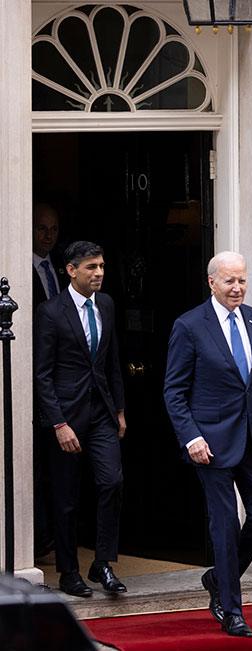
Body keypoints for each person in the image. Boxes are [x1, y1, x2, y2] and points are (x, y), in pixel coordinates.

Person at [163, 251, 252, 638]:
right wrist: (192, 437)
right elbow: (174, 391)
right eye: (229, 281)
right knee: (223, 525)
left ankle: (220, 578)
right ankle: (231, 610)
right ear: (212, 283)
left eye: (242, 280)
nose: (237, 288)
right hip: (211, 444)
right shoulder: (189, 326)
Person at [34, 241, 127, 597]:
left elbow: (112, 359)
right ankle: (69, 572)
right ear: (71, 270)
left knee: (111, 481)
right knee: (67, 497)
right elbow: (42, 374)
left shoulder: (106, 304)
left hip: (102, 411)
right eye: (91, 267)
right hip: (66, 416)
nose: (99, 273)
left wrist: (119, 408)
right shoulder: (51, 311)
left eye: (101, 266)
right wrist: (58, 423)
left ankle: (102, 562)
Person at [31, 203, 62, 560]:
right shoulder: (22, 270)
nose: (48, 235)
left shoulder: (55, 267)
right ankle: (39, 541)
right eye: (41, 228)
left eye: (53, 228)